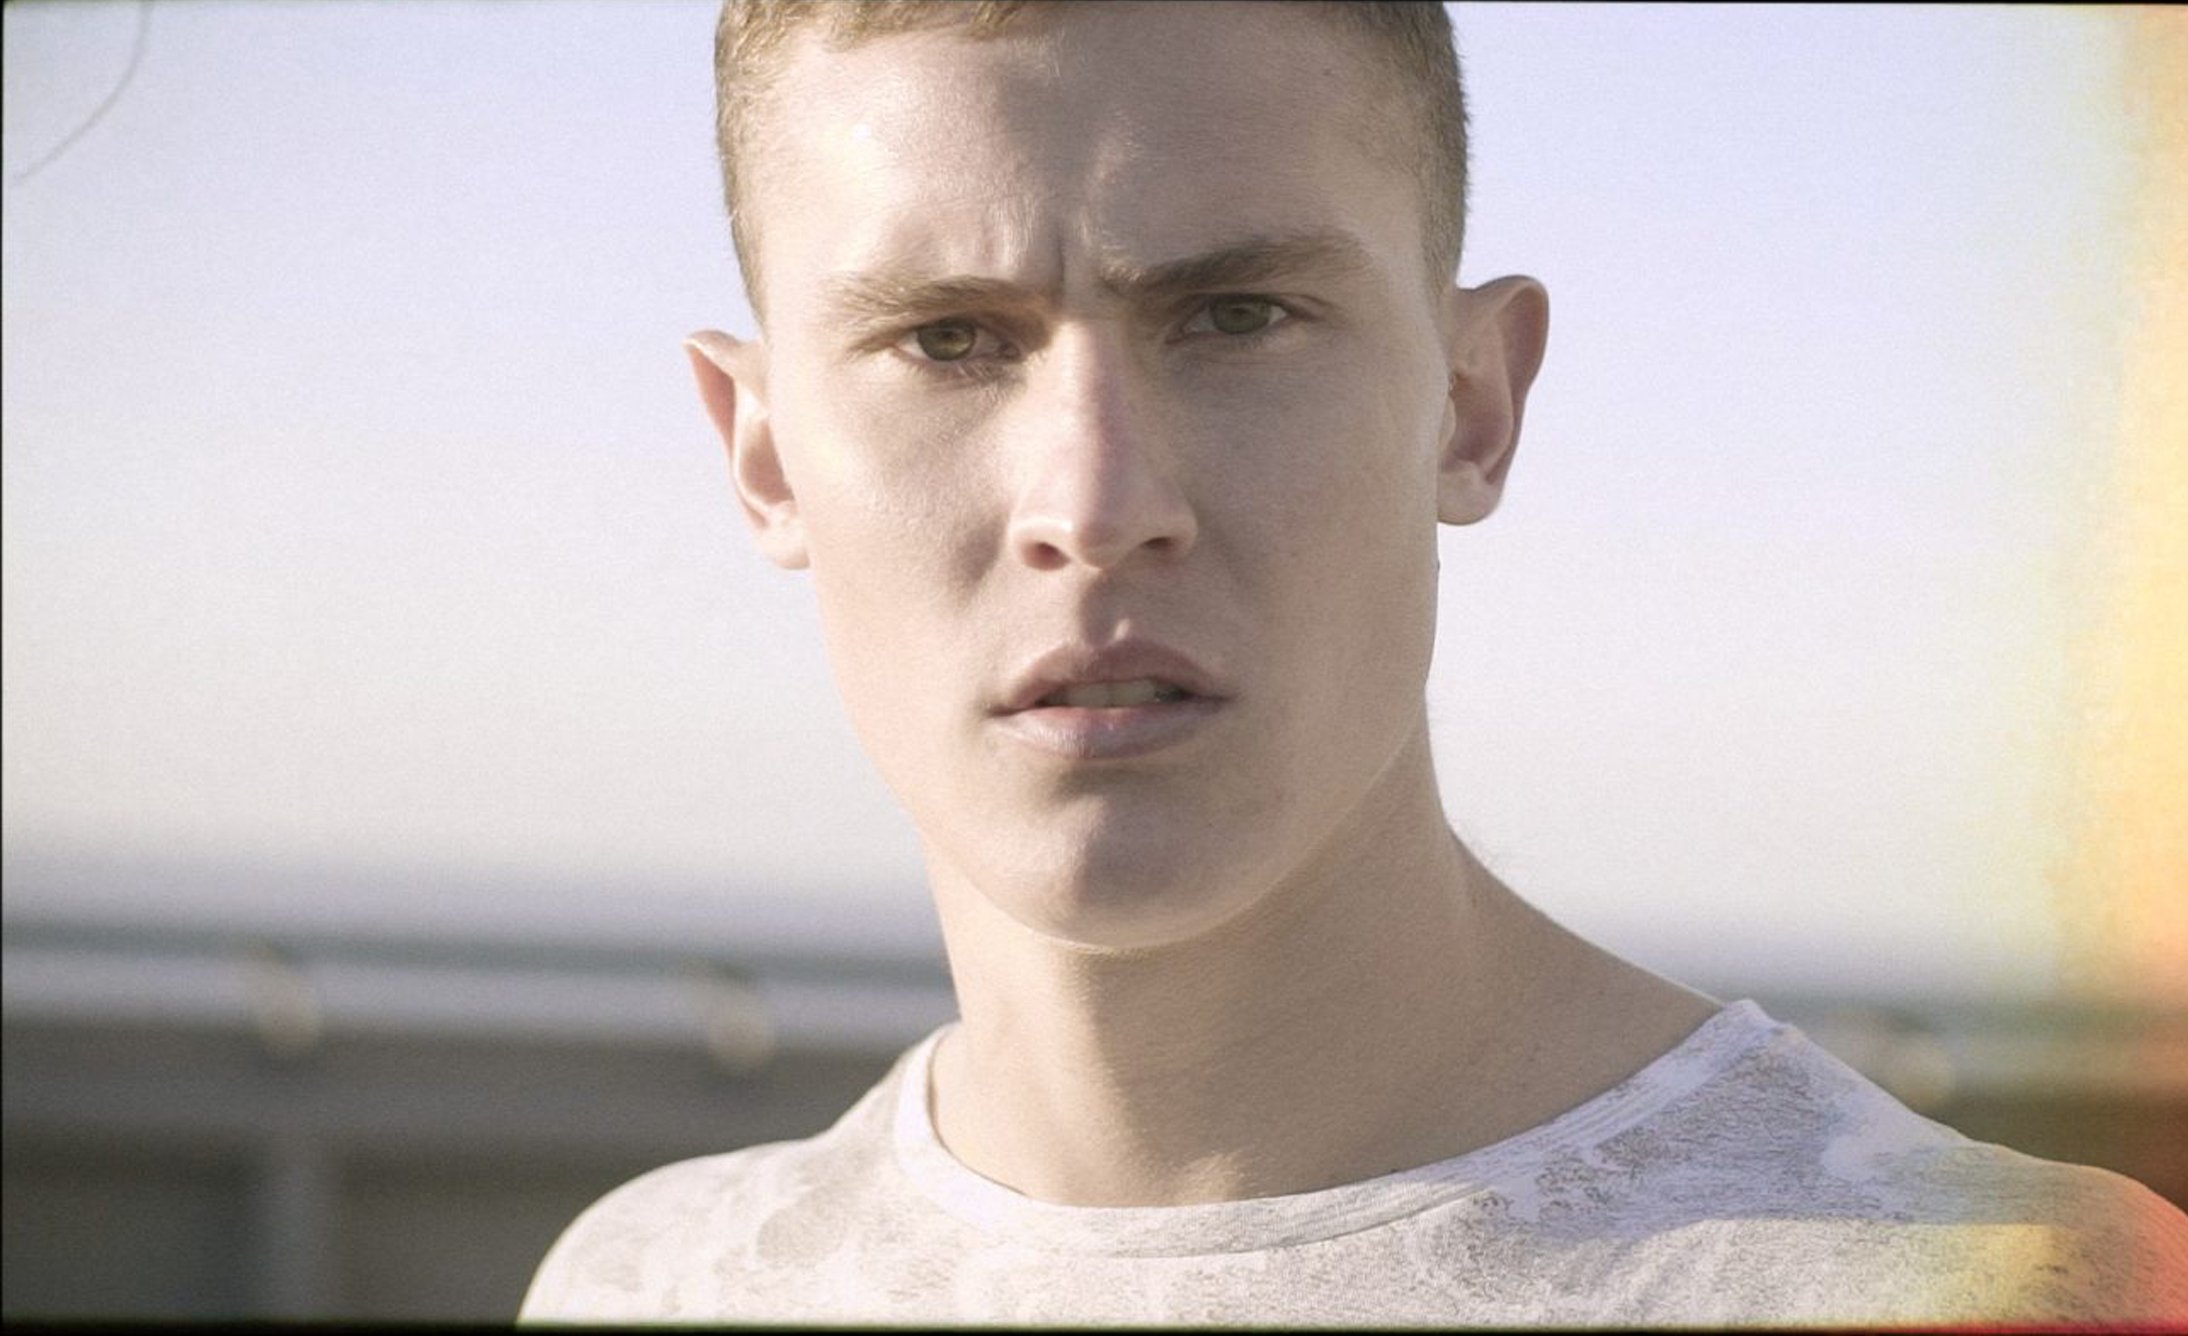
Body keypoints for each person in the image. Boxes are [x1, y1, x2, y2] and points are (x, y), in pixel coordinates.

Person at [521, 1, 2188, 1325]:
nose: (1096, 508)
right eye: (946, 340)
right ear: (760, 457)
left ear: (1473, 406)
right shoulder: (649, 1286)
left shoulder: (1996, 1295)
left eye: (1237, 315)